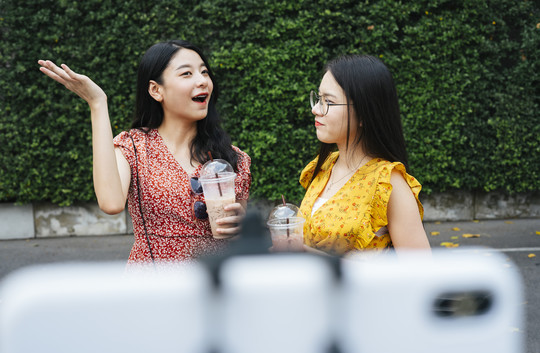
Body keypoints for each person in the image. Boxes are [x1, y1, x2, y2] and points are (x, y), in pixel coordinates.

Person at [38, 40, 251, 265]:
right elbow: (111, 203)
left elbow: (240, 235)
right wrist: (98, 104)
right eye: (187, 73)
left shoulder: (232, 158)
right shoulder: (134, 147)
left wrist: (241, 226)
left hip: (214, 287)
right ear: (156, 90)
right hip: (153, 288)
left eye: (204, 72)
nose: (202, 81)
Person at [298, 54, 430, 256]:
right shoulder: (324, 167)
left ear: (364, 114)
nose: (316, 109)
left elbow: (419, 270)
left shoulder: (387, 183)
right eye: (318, 99)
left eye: (328, 102)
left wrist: (308, 254)